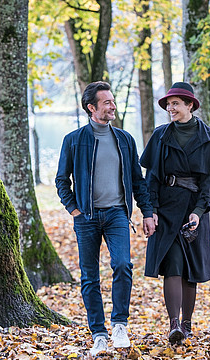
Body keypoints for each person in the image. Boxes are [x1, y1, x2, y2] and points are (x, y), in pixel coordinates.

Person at [55, 81, 155, 356]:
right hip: (85, 217)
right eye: (107, 102)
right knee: (89, 277)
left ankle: (120, 325)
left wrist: (146, 212)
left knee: (123, 265)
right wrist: (74, 210)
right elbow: (62, 181)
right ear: (92, 108)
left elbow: (137, 181)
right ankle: (98, 333)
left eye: (112, 101)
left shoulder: (124, 139)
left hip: (117, 215)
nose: (112, 106)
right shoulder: (74, 140)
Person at [140, 82, 210, 344]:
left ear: (190, 105)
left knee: (190, 269)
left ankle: (187, 324)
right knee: (172, 263)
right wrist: (149, 211)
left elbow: (209, 181)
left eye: (175, 103)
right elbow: (151, 177)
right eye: (168, 104)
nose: (170, 108)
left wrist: (199, 211)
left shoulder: (209, 138)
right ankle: (174, 324)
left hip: (193, 210)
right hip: (165, 209)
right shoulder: (161, 135)